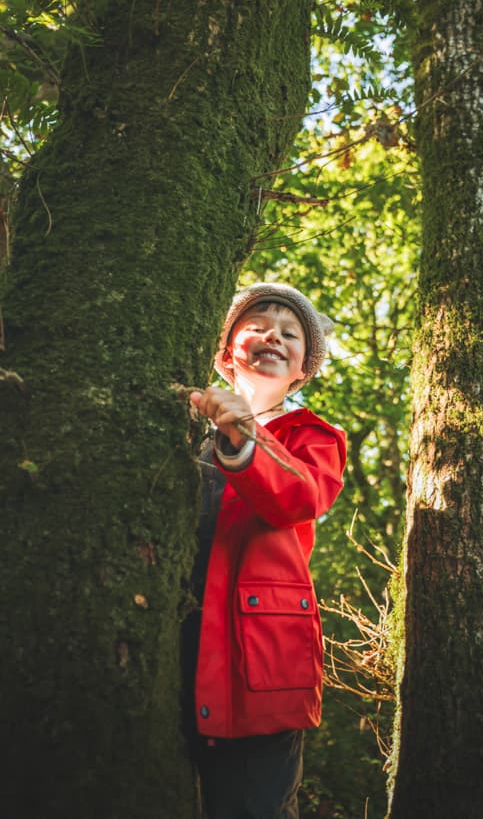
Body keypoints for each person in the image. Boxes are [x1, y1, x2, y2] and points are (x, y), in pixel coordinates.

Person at [188, 282, 346, 819]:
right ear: (226, 349)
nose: (272, 336)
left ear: (304, 367)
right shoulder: (188, 425)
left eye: (290, 332)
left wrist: (246, 431)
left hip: (262, 663)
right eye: (256, 324)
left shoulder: (316, 436)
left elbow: (301, 495)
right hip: (182, 642)